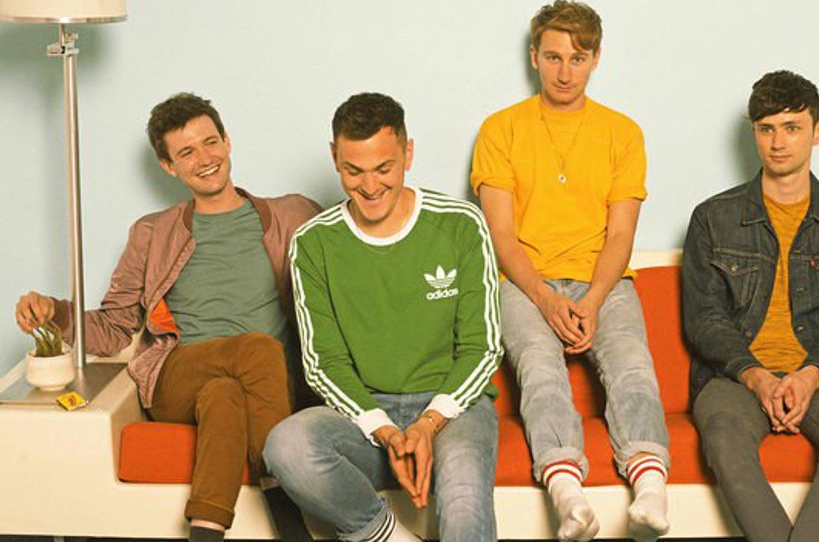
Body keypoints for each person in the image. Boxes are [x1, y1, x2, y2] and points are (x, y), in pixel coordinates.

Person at [13, 93, 320, 542]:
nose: (205, 159)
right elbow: (114, 326)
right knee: (256, 348)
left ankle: (205, 531)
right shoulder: (152, 233)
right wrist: (56, 312)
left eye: (210, 142)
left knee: (225, 395)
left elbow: (344, 273)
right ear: (168, 166)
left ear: (227, 141)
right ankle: (284, 503)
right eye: (187, 152)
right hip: (178, 376)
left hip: (265, 383)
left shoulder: (290, 215)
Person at [471, 0, 670, 542]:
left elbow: (621, 235)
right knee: (540, 368)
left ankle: (651, 491)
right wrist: (546, 297)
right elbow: (501, 236)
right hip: (523, 281)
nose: (565, 72)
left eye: (577, 59)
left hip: (603, 280)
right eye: (554, 57)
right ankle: (568, 497)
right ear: (534, 56)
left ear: (596, 59)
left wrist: (592, 300)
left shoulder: (622, 132)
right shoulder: (500, 129)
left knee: (632, 366)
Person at [263, 92, 502, 542]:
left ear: (408, 154)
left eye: (383, 168)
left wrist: (428, 423)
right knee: (287, 444)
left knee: (465, 496)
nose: (369, 186)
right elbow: (324, 363)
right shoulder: (313, 243)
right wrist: (387, 431)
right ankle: (386, 536)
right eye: (353, 171)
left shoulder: (461, 224)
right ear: (334, 158)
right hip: (365, 414)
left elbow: (482, 348)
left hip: (453, 409)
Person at [682, 70, 819, 542]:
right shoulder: (712, 218)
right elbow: (705, 320)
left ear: (818, 131)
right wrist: (757, 377)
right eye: (766, 128)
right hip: (735, 376)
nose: (778, 142)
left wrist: (809, 376)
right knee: (724, 433)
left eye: (792, 127)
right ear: (753, 132)